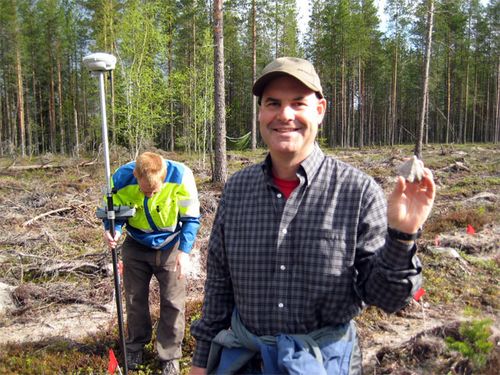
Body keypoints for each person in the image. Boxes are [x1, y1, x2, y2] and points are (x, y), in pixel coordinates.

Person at [189, 57, 436, 374]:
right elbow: (219, 289)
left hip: (324, 363)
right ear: (261, 113)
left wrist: (402, 235)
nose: (284, 115)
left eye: (298, 103)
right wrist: (200, 362)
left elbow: (387, 298)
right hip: (245, 363)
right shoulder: (237, 190)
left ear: (319, 110)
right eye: (273, 103)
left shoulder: (357, 192)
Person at [103, 151, 201, 375]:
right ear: (135, 175)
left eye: (154, 191)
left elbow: (191, 218)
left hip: (171, 245)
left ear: (164, 178)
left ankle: (169, 355)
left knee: (173, 302)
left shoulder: (182, 176)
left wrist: (184, 252)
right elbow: (113, 214)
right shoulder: (120, 178)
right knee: (134, 299)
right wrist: (113, 230)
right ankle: (135, 345)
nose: (148, 196)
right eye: (144, 191)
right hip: (136, 244)